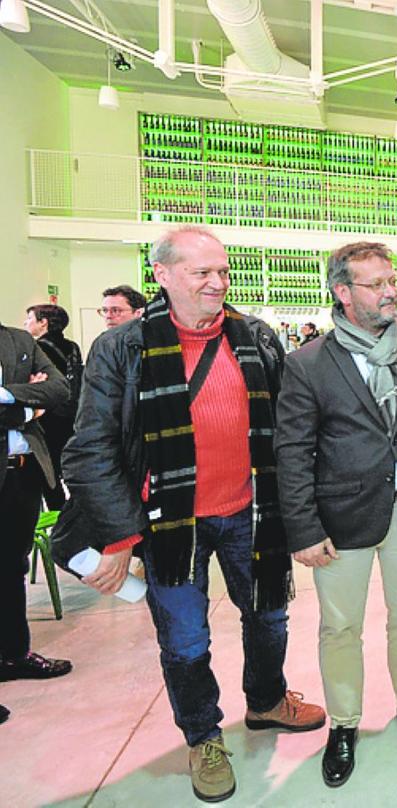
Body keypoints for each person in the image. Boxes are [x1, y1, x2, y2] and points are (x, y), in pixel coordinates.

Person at [63, 226, 325, 803]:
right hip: (170, 524)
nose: (217, 282)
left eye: (223, 271)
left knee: (269, 617)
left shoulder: (253, 336)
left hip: (251, 513)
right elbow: (91, 448)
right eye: (201, 272)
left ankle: (264, 701)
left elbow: (287, 430)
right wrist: (120, 536)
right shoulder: (123, 347)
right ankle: (203, 735)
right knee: (185, 639)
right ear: (162, 275)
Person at [275, 242, 397, 788]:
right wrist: (304, 529)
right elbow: (292, 453)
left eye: (392, 281)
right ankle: (345, 723)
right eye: (376, 284)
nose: (391, 292)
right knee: (340, 626)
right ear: (343, 293)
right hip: (339, 522)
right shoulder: (307, 364)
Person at [0, 322, 71, 703]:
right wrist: (27, 410)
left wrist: (6, 395)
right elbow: (40, 397)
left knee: (12, 566)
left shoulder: (19, 340)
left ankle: (14, 655)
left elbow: (58, 389)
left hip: (23, 472)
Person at [23, 304, 82, 509]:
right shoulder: (72, 347)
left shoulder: (36, 350)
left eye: (30, 318)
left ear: (43, 323)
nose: (25, 323)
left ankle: (57, 513)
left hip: (47, 416)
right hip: (72, 415)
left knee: (48, 471)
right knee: (68, 466)